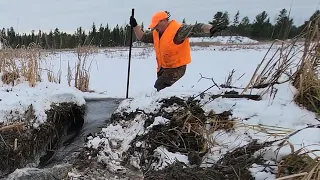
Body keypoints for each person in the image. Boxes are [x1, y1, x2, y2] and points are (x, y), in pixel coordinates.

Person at [129, 11, 226, 91]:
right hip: (163, 68)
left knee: (160, 86)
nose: (155, 27)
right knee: (161, 90)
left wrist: (210, 28)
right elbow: (143, 37)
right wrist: (135, 26)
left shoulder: (178, 30)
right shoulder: (156, 33)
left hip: (177, 67)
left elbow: (196, 28)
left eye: (156, 25)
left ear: (164, 21)